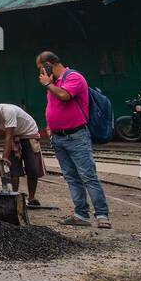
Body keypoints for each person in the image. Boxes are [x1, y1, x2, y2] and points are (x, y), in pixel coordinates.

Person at [38, 50, 110, 229]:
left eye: (41, 69)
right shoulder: (55, 83)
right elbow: (52, 105)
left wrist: (48, 84)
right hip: (58, 137)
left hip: (76, 136)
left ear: (49, 65)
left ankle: (102, 215)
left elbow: (64, 96)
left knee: (88, 176)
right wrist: (49, 126)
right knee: (71, 177)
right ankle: (81, 214)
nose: (40, 74)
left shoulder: (73, 77)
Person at [0, 101, 44, 206]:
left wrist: (5, 156)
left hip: (28, 133)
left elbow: (8, 136)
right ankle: (14, 196)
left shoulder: (8, 111)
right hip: (12, 135)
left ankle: (32, 198)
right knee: (12, 168)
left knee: (32, 168)